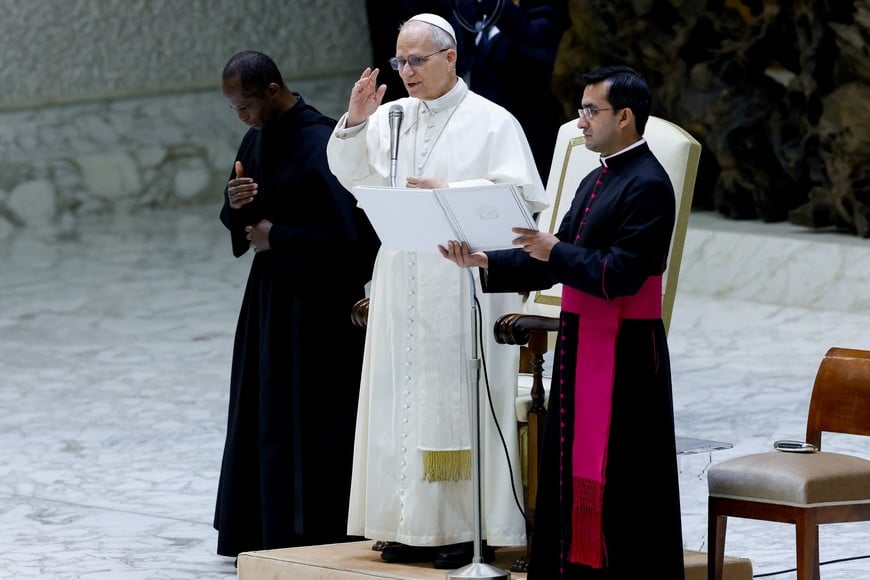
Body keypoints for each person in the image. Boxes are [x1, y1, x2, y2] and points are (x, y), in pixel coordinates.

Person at [440, 66, 685, 578]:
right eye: (579, 111)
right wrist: (485, 260)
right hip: (582, 343)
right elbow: (548, 258)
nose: (580, 123)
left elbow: (618, 274)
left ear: (625, 116)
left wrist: (556, 250)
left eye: (590, 111)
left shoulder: (650, 185)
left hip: (626, 354)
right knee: (569, 462)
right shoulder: (596, 179)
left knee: (624, 472)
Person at [326, 13, 549, 570]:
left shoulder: (492, 121)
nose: (406, 71)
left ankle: (460, 529)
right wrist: (355, 123)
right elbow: (355, 178)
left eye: (417, 60)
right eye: (400, 60)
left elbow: (521, 199)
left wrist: (448, 191)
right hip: (402, 275)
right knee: (396, 398)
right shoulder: (392, 117)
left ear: (451, 58)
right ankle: (401, 523)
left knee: (454, 401)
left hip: (462, 279)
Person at [213, 50, 380, 562]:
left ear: (271, 90)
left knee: (314, 417)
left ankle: (315, 528)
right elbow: (240, 218)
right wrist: (236, 204)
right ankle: (261, 528)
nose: (241, 118)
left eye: (244, 106)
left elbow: (355, 238)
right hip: (269, 303)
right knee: (263, 412)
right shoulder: (256, 137)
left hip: (319, 309)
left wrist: (277, 236)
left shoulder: (322, 143)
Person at [399, 0, 569, 183]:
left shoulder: (544, 9)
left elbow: (536, 48)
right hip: (469, 130)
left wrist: (495, 5)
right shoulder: (469, 9)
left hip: (525, 130)